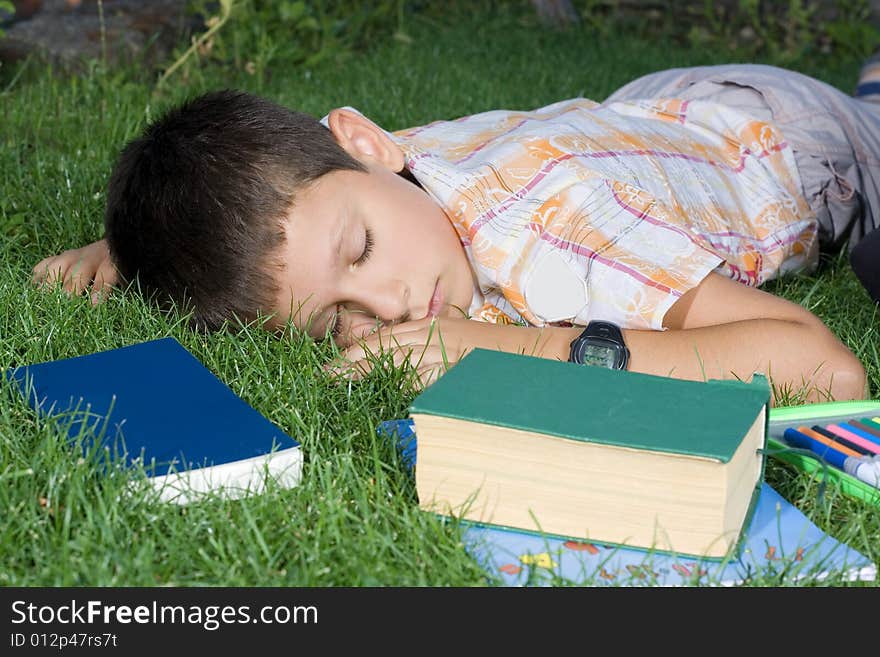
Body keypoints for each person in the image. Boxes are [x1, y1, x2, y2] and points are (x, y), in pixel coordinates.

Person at [32, 62, 880, 405]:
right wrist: (143, 248)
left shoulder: (554, 238)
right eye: (335, 317)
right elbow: (290, 216)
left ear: (367, 143)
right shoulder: (374, 177)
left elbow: (825, 369)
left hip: (798, 144)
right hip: (650, 111)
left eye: (359, 252)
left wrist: (517, 349)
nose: (392, 303)